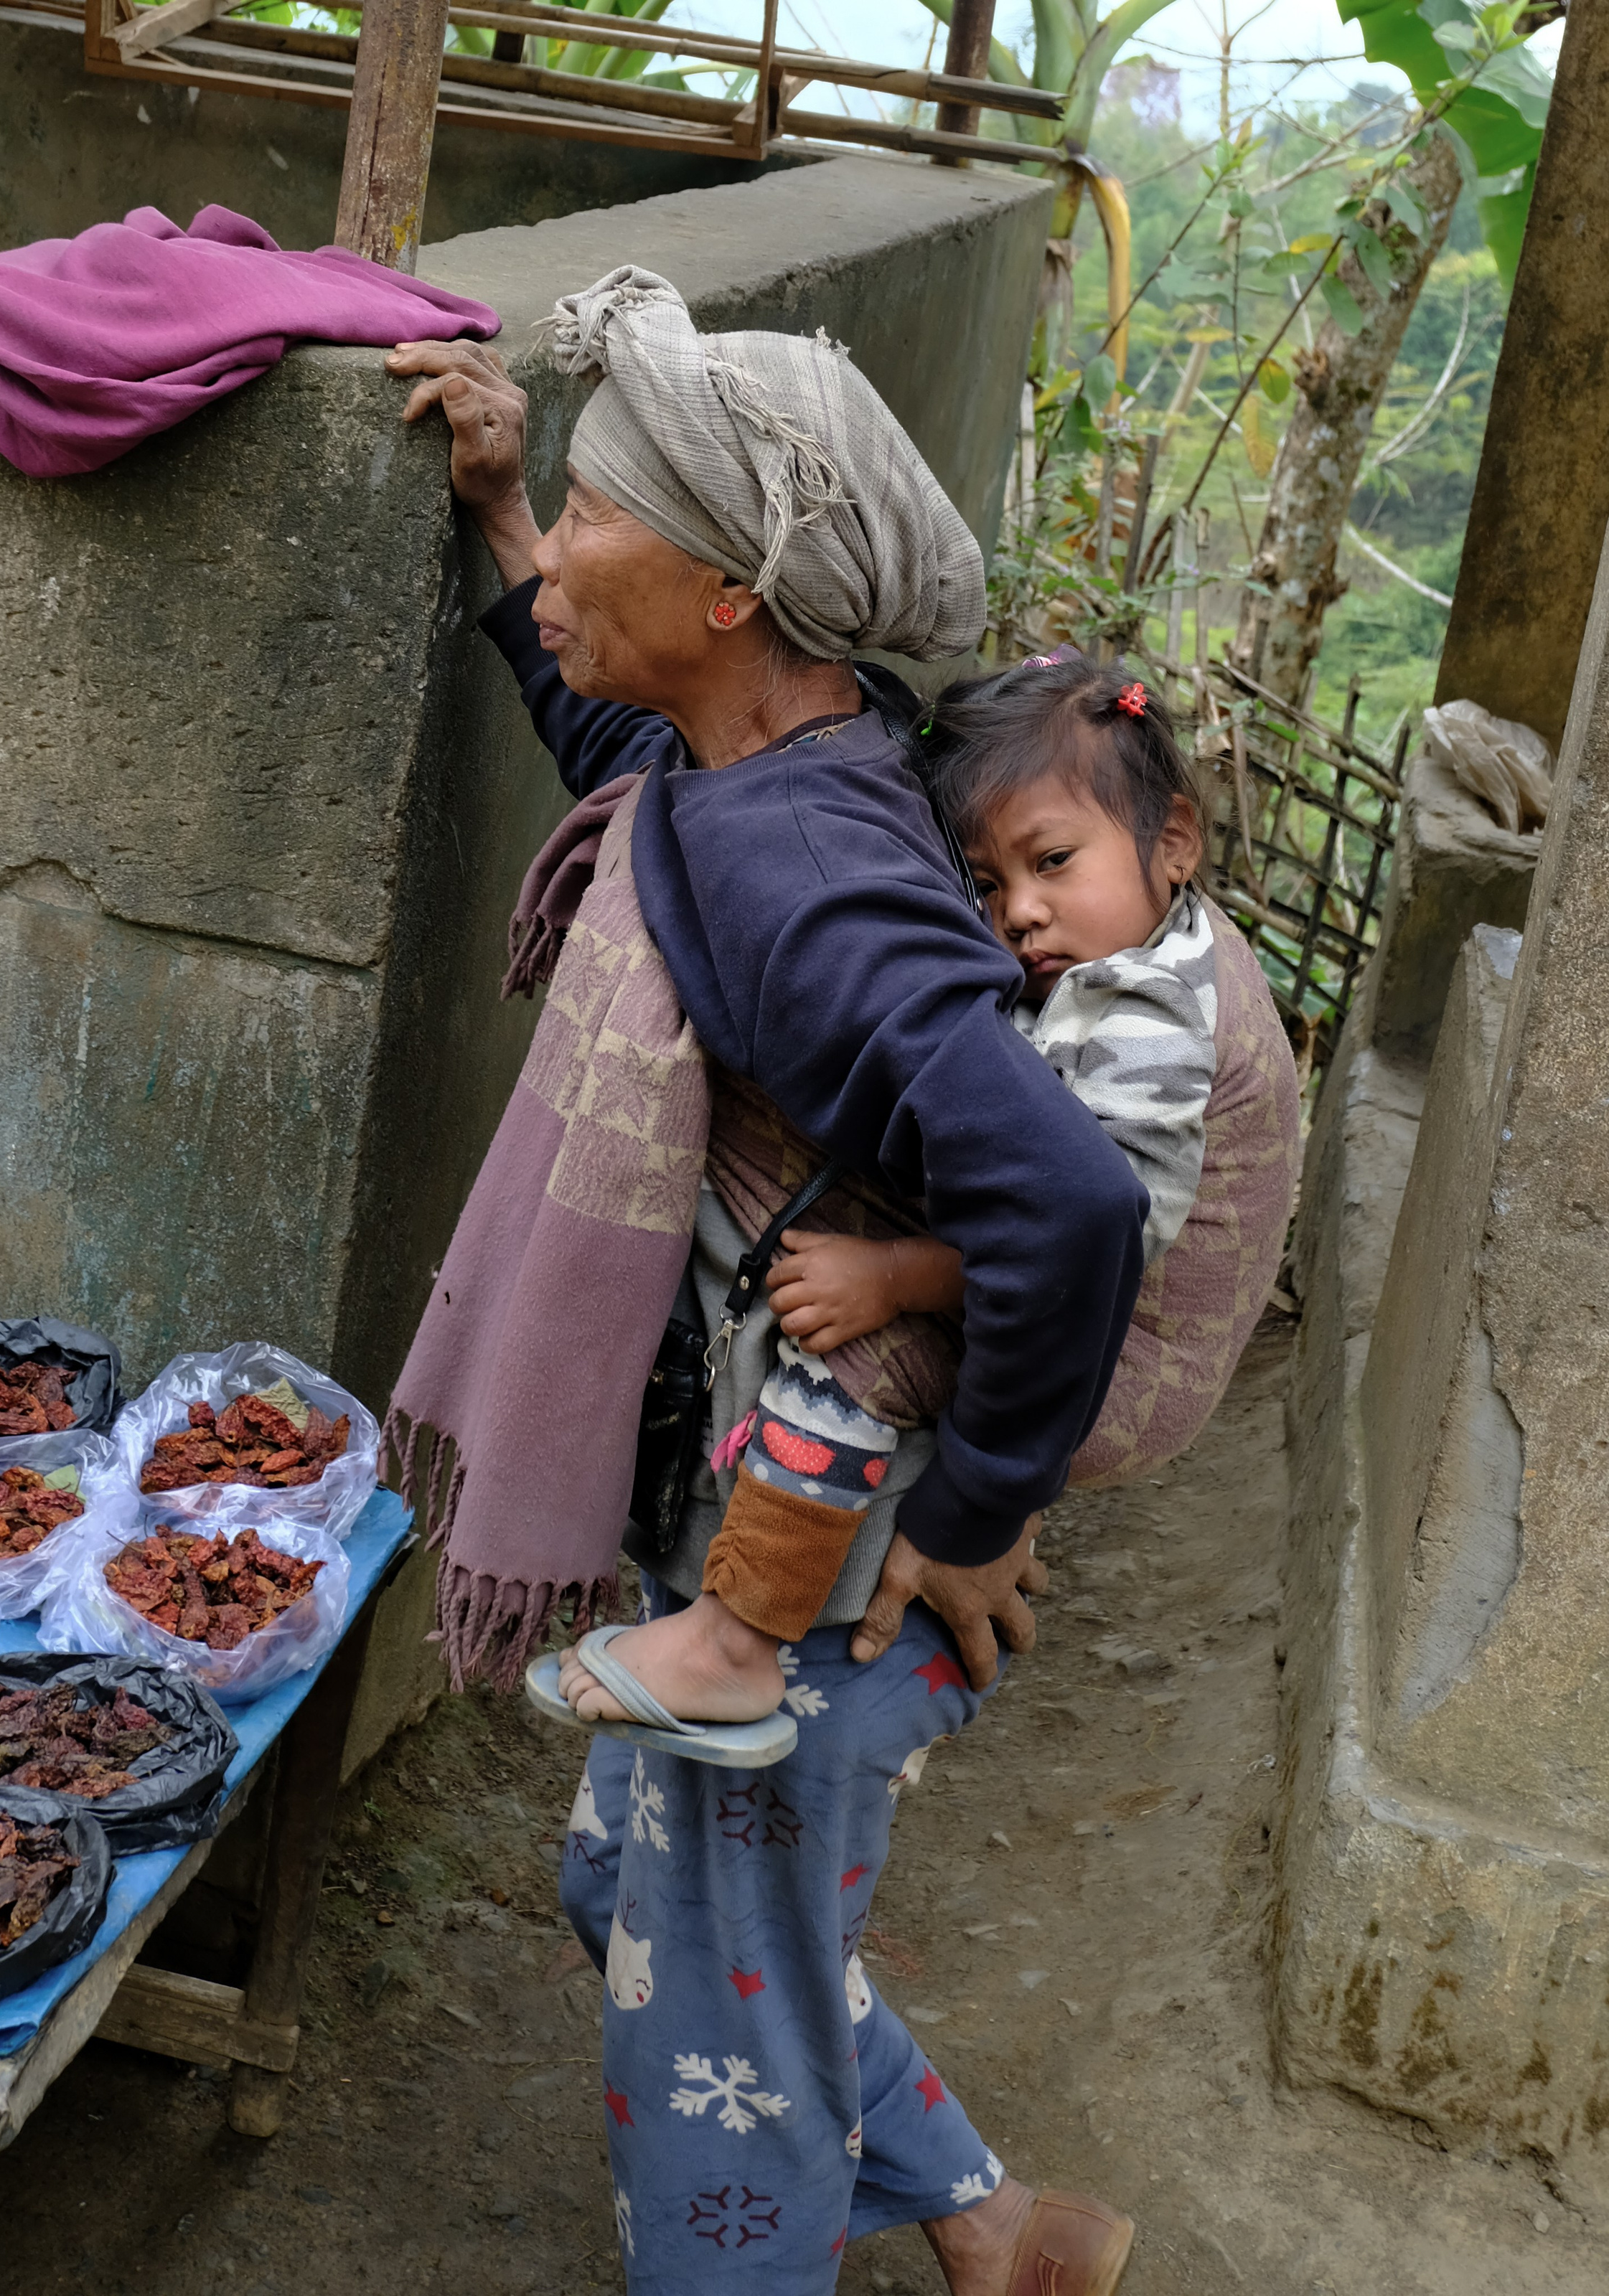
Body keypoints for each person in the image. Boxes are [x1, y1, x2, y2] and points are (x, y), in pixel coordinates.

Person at [385, 268, 1143, 2296]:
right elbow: (637, 787)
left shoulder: (813, 877)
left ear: (728, 591)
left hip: (822, 1558)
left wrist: (976, 1516)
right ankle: (998, 2229)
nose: (572, 560)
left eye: (607, 519)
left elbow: (1070, 1207)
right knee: (635, 1872)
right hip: (757, 1521)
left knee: (703, 2020)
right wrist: (507, 511)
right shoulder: (769, 767)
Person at [558, 649, 1299, 1729]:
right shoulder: (1124, 945)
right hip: (1068, 1293)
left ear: (1174, 839)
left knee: (841, 1371)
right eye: (989, 885)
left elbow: (1091, 1232)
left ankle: (738, 1641)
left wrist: (897, 1278)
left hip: (1110, 1336)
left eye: (1053, 863)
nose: (1022, 915)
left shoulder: (1146, 1016)